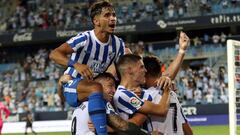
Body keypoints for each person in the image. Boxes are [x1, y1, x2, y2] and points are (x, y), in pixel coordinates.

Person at [49, 1, 128, 135]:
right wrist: (75, 64)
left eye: (114, 15)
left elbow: (120, 71)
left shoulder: (118, 44)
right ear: (96, 21)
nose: (113, 18)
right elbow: (54, 54)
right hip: (72, 85)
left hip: (95, 91)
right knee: (96, 87)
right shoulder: (84, 38)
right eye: (107, 15)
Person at [59, 73, 153, 135]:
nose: (114, 90)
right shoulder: (99, 102)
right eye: (110, 86)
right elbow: (122, 126)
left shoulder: (79, 103)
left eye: (114, 87)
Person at [143, 55, 193, 135]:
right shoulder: (171, 93)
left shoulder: (144, 96)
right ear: (160, 73)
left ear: (144, 74)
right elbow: (188, 130)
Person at [114, 54, 171, 122]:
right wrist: (167, 89)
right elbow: (161, 110)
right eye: (141, 67)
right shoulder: (122, 95)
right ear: (129, 70)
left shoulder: (138, 91)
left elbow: (155, 91)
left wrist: (166, 79)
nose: (145, 70)